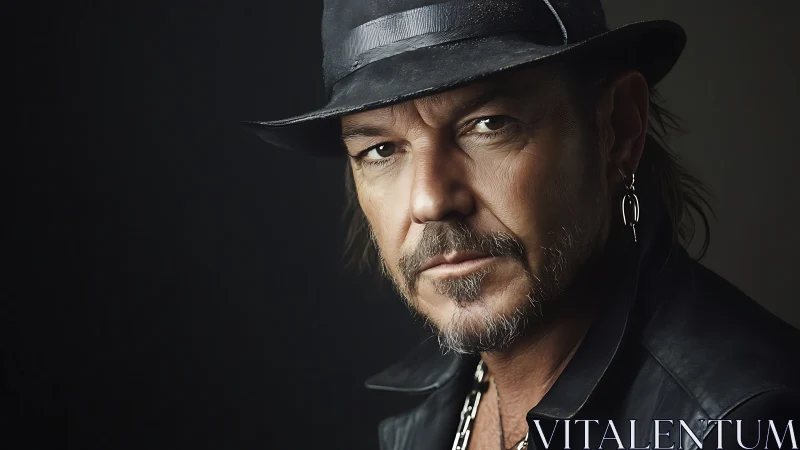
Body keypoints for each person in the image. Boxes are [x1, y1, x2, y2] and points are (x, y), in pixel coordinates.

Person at [243, 0, 800, 449]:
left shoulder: (744, 422)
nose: (432, 200)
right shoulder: (440, 410)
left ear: (618, 128)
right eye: (382, 150)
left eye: (488, 124)